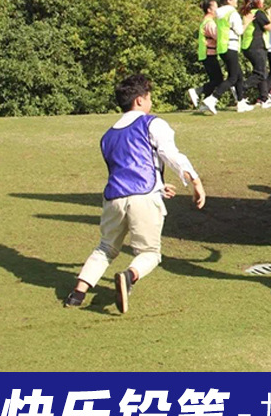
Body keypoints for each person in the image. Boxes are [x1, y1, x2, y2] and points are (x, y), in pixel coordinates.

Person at [63, 74, 206, 313]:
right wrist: (195, 180)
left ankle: (77, 294)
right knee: (150, 253)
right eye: (149, 97)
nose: (151, 101)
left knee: (105, 248)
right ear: (139, 100)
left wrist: (160, 186)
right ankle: (128, 276)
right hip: (144, 196)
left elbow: (127, 167)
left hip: (114, 197)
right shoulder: (152, 123)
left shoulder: (108, 136)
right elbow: (170, 154)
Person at [201, 0, 254, 114]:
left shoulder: (218, 13)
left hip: (222, 46)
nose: (237, 1)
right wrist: (247, 22)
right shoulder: (232, 13)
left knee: (239, 74)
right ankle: (213, 99)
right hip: (231, 45)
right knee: (233, 77)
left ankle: (240, 102)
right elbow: (239, 31)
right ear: (229, 0)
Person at [240, 0, 271, 109]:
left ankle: (264, 98)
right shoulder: (258, 13)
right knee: (260, 74)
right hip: (256, 46)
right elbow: (269, 27)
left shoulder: (248, 12)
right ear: (256, 0)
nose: (263, 1)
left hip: (248, 46)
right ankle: (241, 87)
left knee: (261, 72)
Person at [187, 0, 223, 109]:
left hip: (206, 54)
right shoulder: (209, 23)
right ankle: (197, 91)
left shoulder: (205, 22)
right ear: (209, 10)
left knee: (214, 80)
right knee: (218, 80)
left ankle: (205, 104)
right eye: (215, 7)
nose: (217, 10)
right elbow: (218, 36)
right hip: (209, 53)